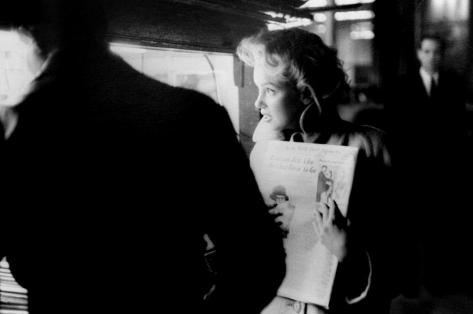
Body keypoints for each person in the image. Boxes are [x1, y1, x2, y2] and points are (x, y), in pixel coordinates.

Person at [0, 1, 285, 314]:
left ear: (30, 37)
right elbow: (260, 262)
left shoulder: (15, 127)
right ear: (103, 28)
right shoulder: (195, 114)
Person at [237, 28, 413, 314]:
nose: (258, 103)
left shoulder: (372, 148)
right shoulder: (266, 152)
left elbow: (401, 263)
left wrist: (350, 253)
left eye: (269, 90)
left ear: (306, 95)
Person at [386, 34, 469, 297]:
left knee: (440, 230)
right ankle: (408, 284)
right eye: (428, 51)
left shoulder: (454, 85)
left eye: (437, 52)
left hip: (443, 171)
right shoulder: (402, 85)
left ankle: (437, 283)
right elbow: (395, 131)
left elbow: (458, 130)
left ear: (442, 56)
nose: (433, 56)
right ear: (419, 54)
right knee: (409, 230)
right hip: (411, 171)